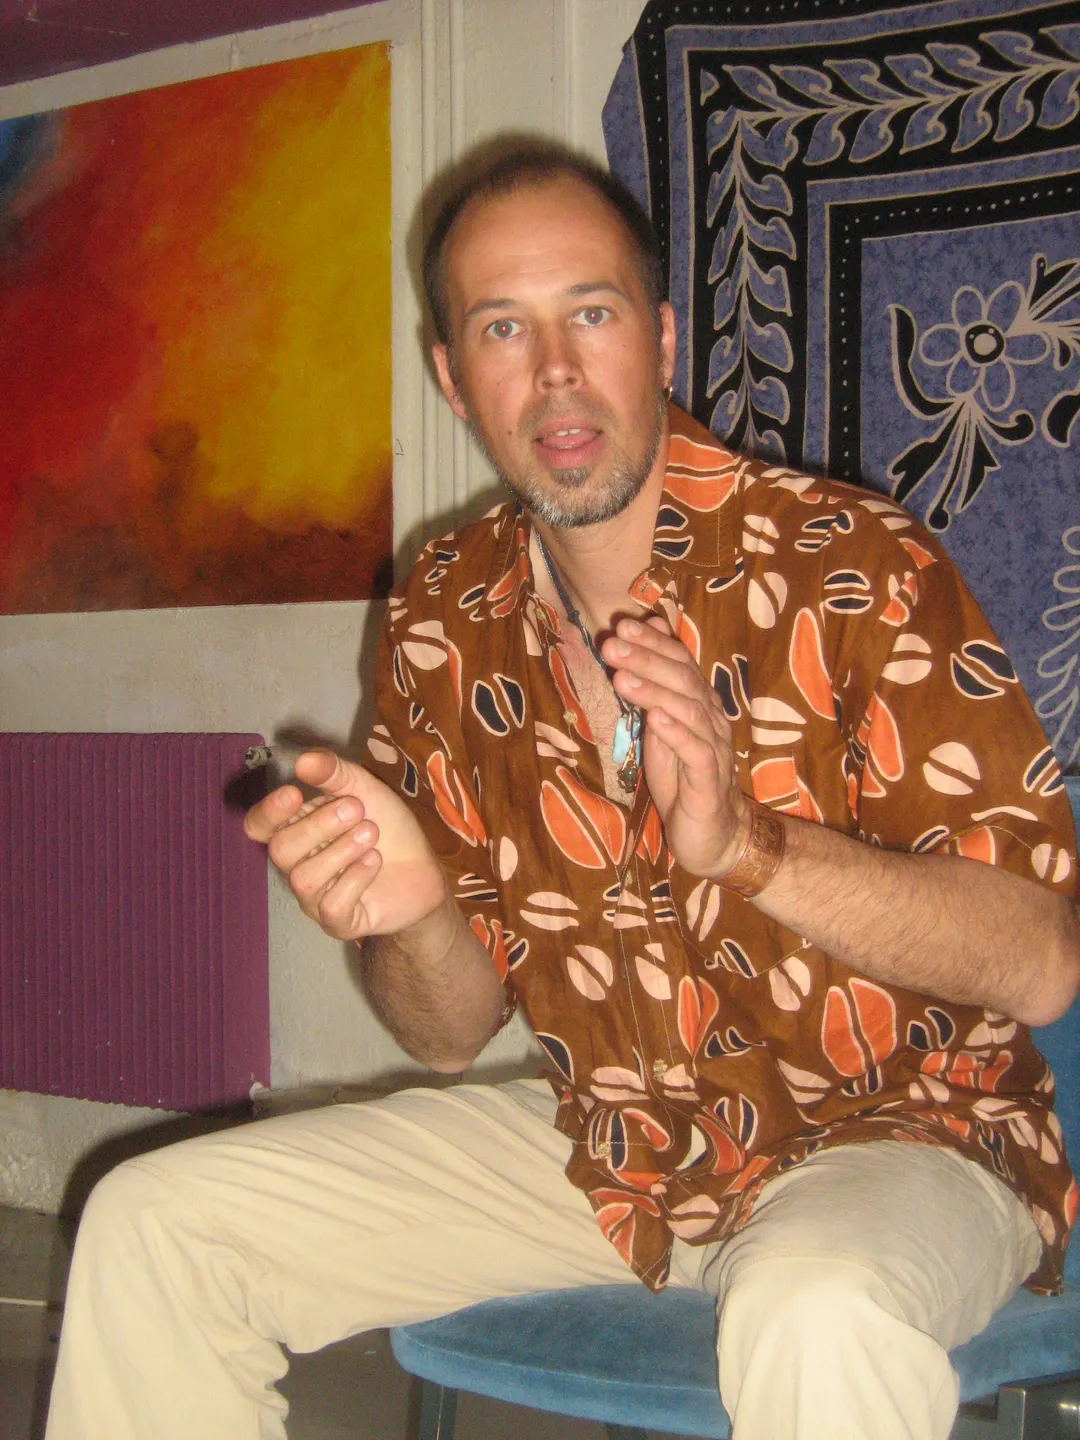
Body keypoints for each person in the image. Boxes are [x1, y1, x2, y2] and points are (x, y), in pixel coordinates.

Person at [46, 141, 1079, 1440]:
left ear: (659, 339)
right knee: (158, 1224)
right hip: (617, 1151)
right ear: (452, 378)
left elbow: (1042, 963)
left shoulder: (852, 565)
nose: (553, 371)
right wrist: (415, 916)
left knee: (818, 1310)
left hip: (903, 1143)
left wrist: (748, 847)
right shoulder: (442, 613)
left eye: (590, 313)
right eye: (502, 328)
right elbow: (443, 1032)